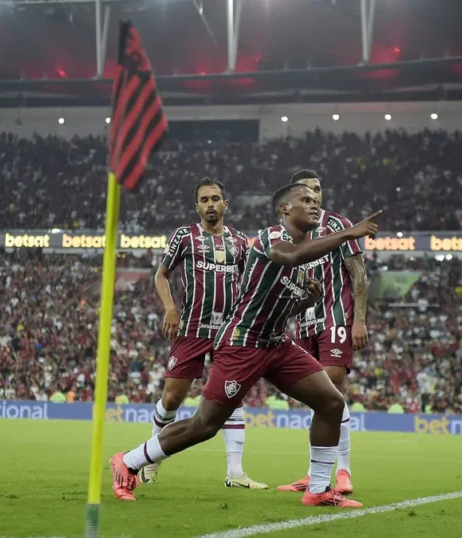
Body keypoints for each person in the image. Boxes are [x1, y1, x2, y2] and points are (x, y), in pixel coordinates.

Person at [110, 183, 381, 507]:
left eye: (316, 201)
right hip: (243, 343)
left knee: (331, 403)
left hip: (277, 344)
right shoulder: (271, 239)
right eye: (305, 200)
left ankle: (319, 489)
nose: (314, 205)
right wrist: (350, 233)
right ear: (284, 210)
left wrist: (304, 301)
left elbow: (276, 307)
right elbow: (291, 255)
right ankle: (128, 461)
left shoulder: (300, 258)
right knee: (206, 425)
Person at [140, 177, 267, 489]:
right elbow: (161, 273)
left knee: (232, 396)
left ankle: (235, 473)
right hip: (193, 329)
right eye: (204, 200)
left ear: (226, 203)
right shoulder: (185, 236)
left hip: (228, 332)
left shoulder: (239, 241)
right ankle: (151, 458)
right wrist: (170, 307)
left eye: (215, 199)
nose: (211, 204)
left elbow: (251, 280)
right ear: (196, 206)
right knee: (172, 398)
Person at [277, 169, 368, 495]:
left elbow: (358, 273)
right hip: (303, 324)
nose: (315, 196)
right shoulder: (291, 234)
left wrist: (359, 319)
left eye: (318, 190)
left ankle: (343, 471)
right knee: (318, 399)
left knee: (331, 389)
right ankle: (315, 473)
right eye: (308, 192)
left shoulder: (339, 226)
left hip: (336, 319)